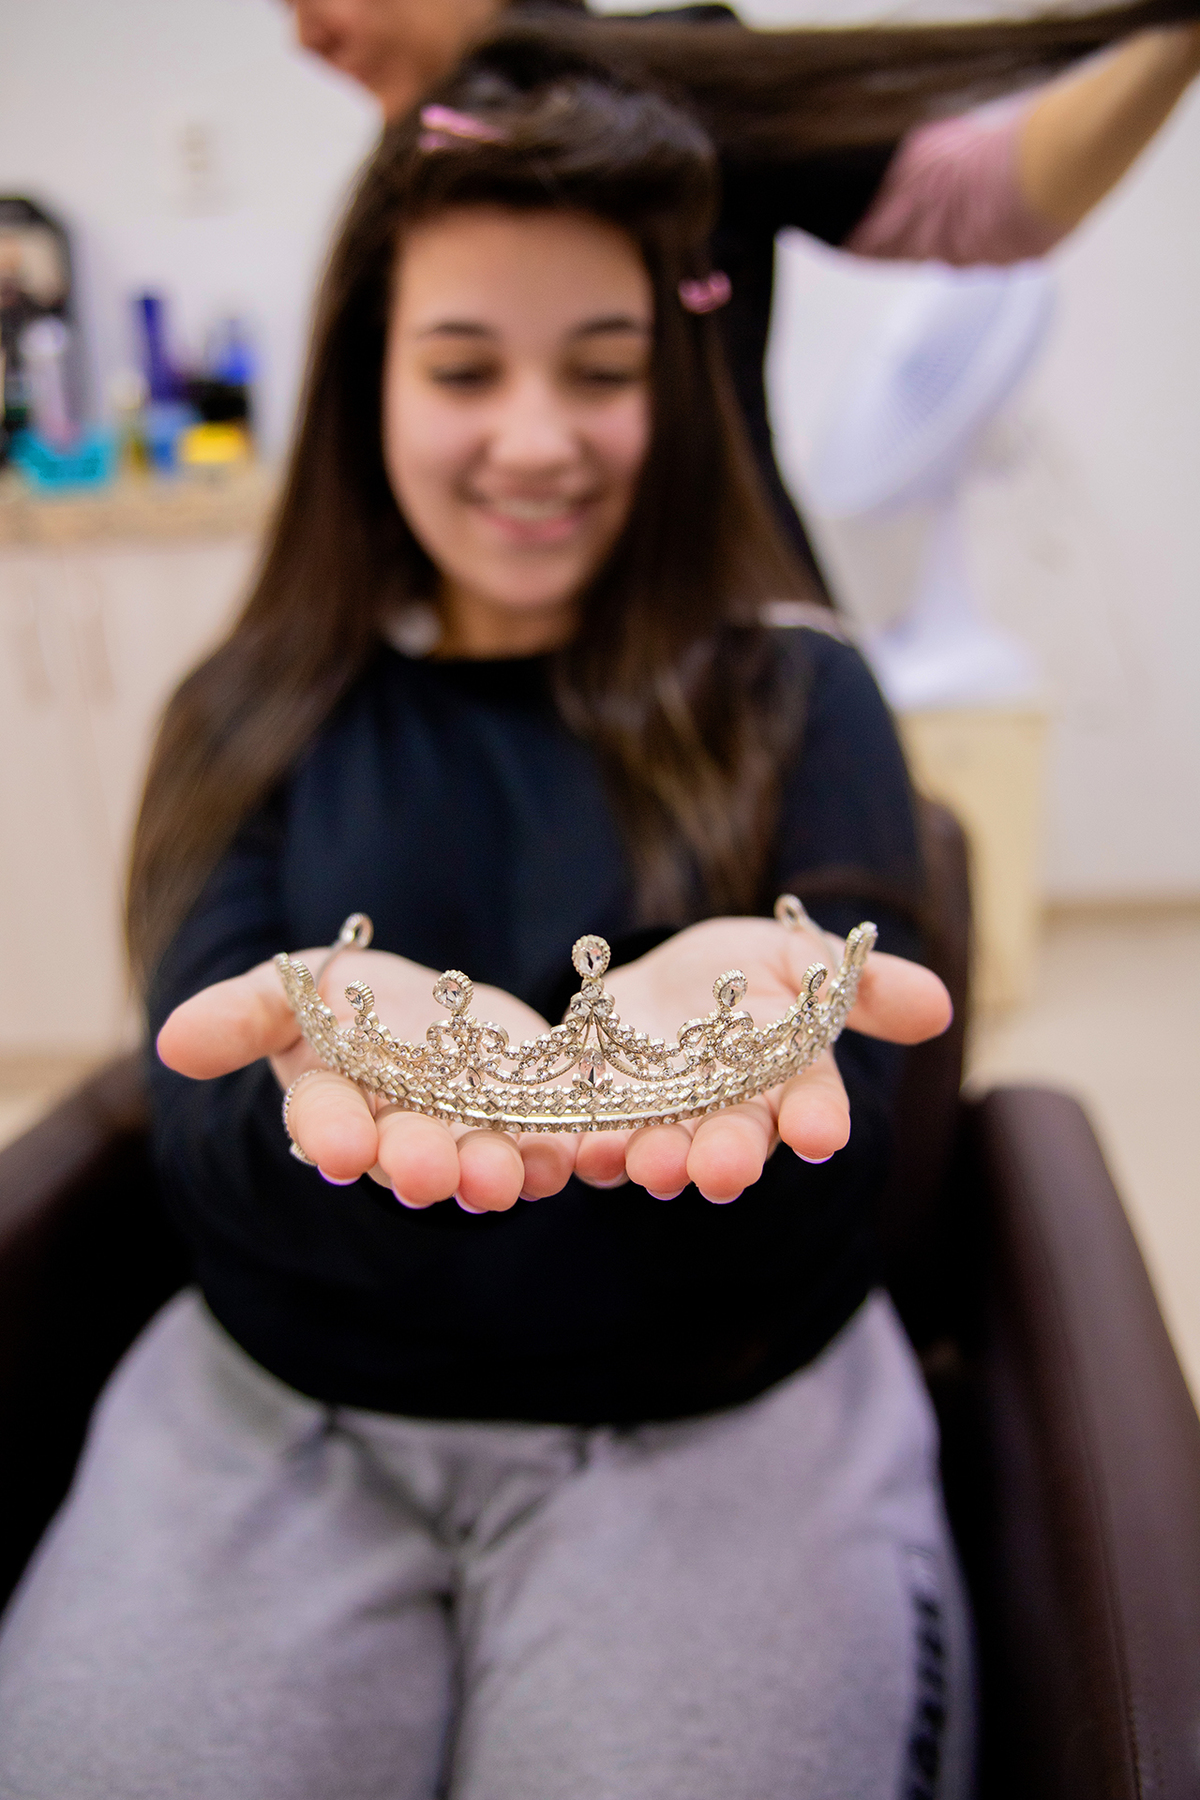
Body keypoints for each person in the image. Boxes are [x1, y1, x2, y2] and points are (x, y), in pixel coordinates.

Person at [0, 47, 970, 1800]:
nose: (539, 439)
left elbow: (860, 1135)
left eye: (602, 374)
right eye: (465, 368)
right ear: (370, 373)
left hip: (722, 1413)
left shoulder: (805, 699)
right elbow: (201, 1113)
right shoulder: (251, 710)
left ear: (671, 387)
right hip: (280, 1417)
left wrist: (740, 1050)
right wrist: (309, 1070)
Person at [290, 0, 1200, 595]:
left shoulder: (672, 92)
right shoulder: (403, 172)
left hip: (741, 663)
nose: (305, 34)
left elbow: (986, 199)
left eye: (607, 369)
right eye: (461, 371)